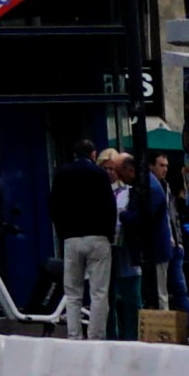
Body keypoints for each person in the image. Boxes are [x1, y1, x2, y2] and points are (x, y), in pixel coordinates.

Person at [54, 145, 119, 348]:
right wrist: (109, 235)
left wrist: (63, 232)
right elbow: (110, 207)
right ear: (93, 155)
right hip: (97, 237)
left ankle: (74, 336)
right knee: (99, 292)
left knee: (72, 292)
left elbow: (53, 205)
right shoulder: (100, 175)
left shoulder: (62, 174)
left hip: (72, 238)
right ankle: (95, 337)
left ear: (75, 154)